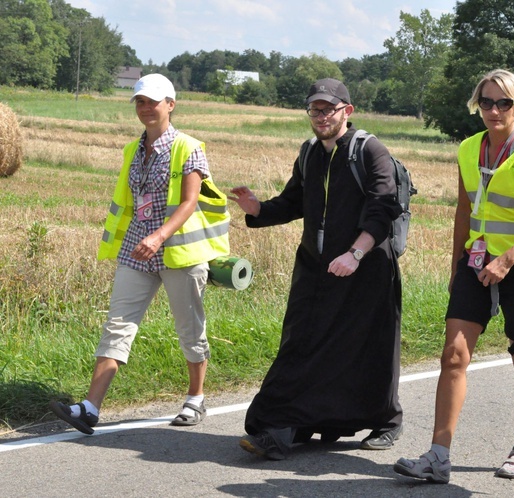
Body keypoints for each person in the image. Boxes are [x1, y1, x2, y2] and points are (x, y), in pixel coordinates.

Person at [394, 69, 514, 484]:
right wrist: (455, 267)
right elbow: (465, 211)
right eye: (486, 102)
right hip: (475, 263)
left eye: (503, 103)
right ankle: (438, 455)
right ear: (477, 105)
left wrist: (509, 257)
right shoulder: (468, 148)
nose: (494, 110)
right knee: (453, 355)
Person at [228, 78, 403, 460]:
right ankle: (286, 426)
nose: (321, 116)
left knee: (367, 347)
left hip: (364, 267)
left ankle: (387, 420)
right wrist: (258, 209)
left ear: (347, 111)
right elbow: (295, 202)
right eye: (315, 110)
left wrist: (354, 254)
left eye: (328, 109)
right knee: (301, 343)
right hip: (315, 267)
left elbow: (382, 209)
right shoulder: (309, 152)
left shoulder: (370, 150)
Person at [49, 73, 230, 434]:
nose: (146, 108)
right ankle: (89, 408)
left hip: (177, 251)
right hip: (137, 250)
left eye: (153, 101)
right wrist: (142, 238)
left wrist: (160, 236)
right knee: (117, 325)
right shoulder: (132, 149)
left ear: (171, 105)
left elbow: (190, 200)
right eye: (140, 102)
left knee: (189, 329)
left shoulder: (188, 147)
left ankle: (195, 398)